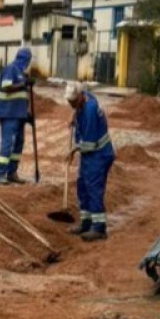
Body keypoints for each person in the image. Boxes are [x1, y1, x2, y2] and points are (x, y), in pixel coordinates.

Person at [64, 81, 115, 241]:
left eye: (73, 101)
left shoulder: (90, 111)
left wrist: (73, 149)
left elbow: (90, 143)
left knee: (93, 188)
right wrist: (75, 116)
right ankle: (86, 222)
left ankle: (99, 228)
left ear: (80, 97)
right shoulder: (85, 99)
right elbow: (81, 111)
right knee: (82, 186)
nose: (70, 104)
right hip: (90, 155)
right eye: (68, 101)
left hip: (98, 154)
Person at [0, 48, 35, 185]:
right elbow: (6, 87)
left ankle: (12, 172)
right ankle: (0, 173)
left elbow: (20, 97)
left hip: (18, 114)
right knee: (8, 143)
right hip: (8, 113)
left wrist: (26, 115)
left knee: (18, 143)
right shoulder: (11, 69)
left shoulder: (21, 73)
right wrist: (24, 84)